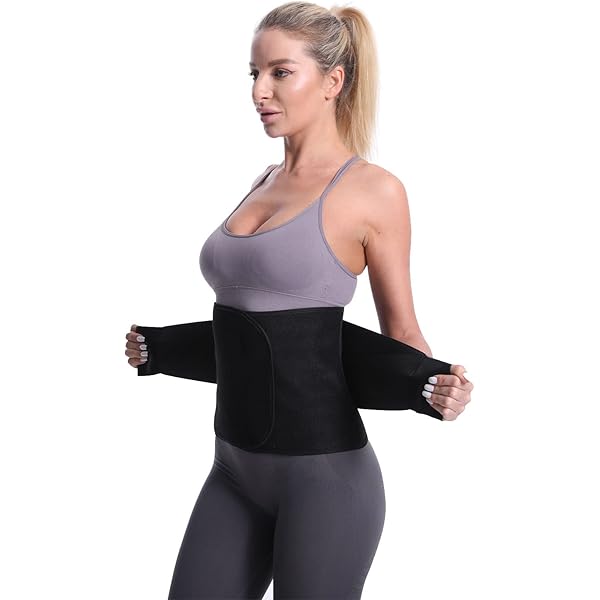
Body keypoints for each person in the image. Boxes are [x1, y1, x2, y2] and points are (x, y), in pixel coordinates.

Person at [125, 2, 473, 598]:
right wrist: (162, 349)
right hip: (232, 471)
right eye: (254, 73)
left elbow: (397, 332)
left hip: (326, 480)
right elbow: (251, 334)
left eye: (281, 72)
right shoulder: (261, 181)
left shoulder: (374, 190)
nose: (259, 91)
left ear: (333, 81)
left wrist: (436, 385)